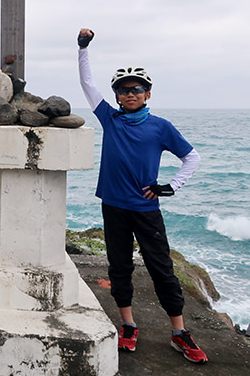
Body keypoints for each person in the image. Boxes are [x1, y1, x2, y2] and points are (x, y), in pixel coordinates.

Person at [76, 28, 207, 364]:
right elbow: (88, 85)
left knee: (162, 268)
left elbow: (191, 157)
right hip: (114, 207)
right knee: (118, 268)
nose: (129, 93)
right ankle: (128, 325)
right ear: (117, 96)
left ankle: (179, 332)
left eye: (136, 89)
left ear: (148, 94)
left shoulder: (160, 127)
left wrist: (171, 186)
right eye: (123, 90)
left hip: (146, 209)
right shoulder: (111, 118)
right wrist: (83, 48)